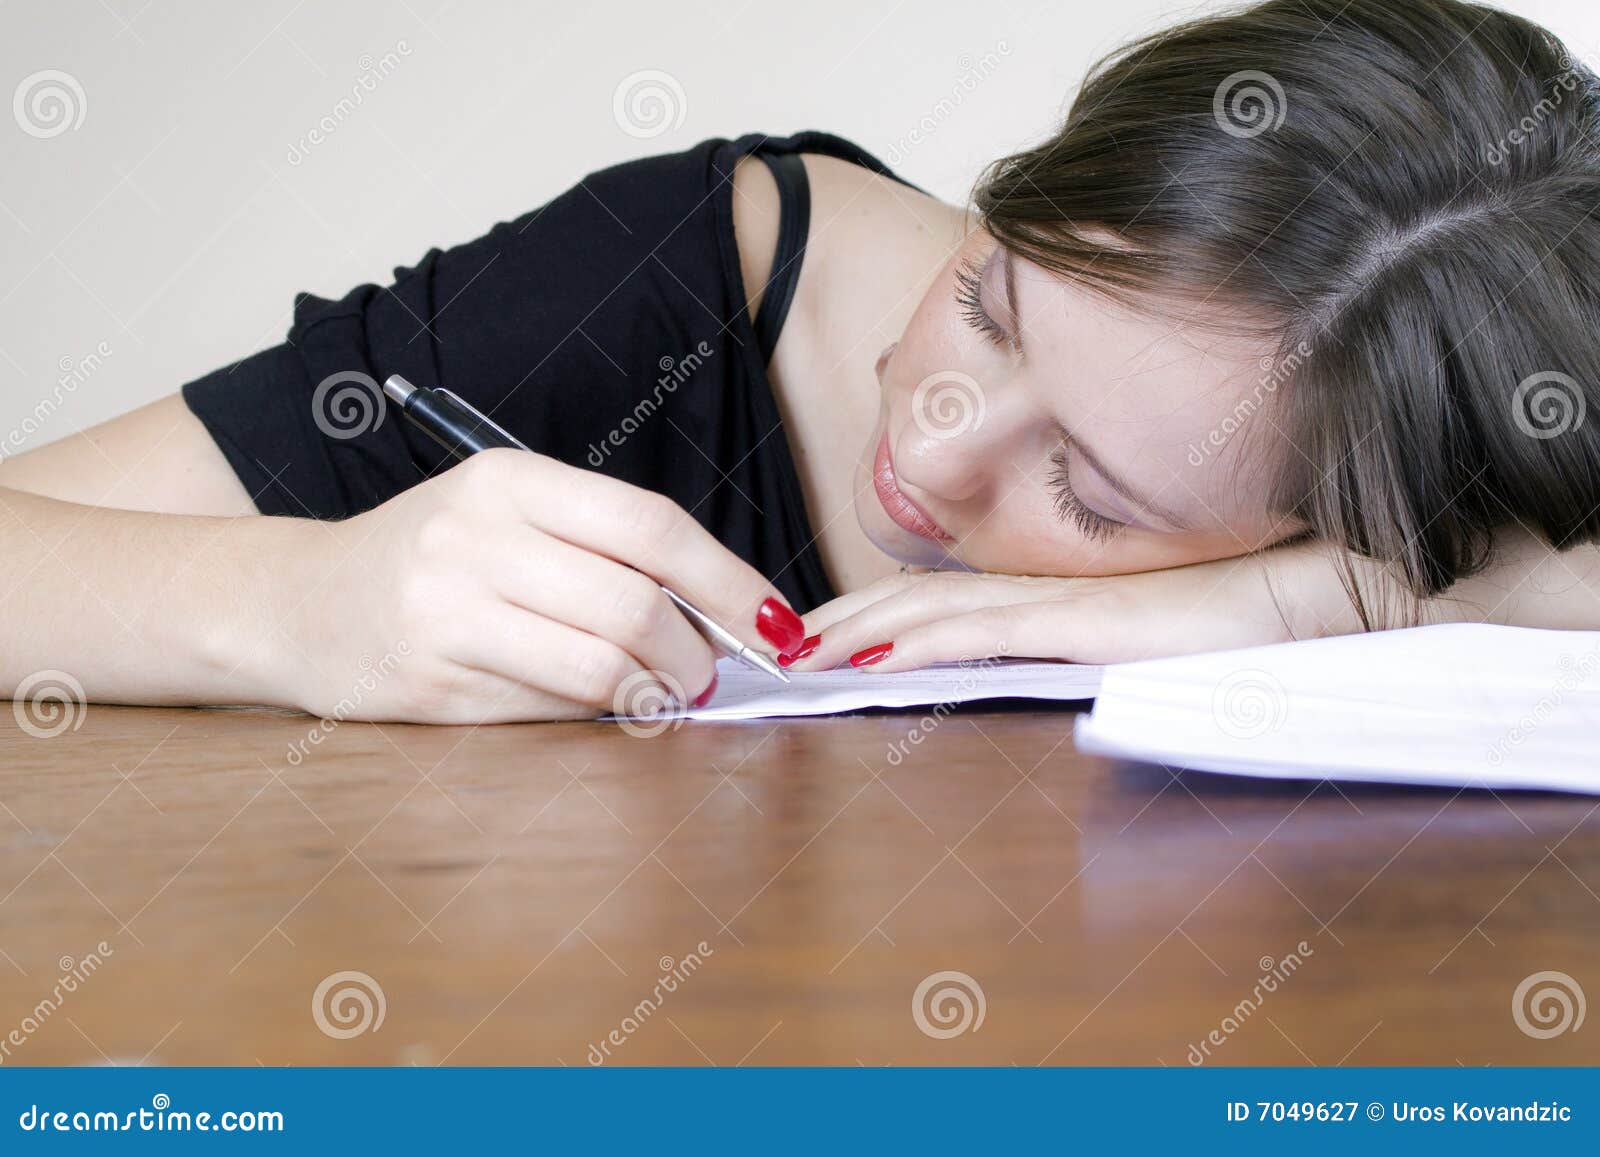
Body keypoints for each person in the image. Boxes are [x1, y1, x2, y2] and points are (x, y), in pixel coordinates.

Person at [4, 0, 1599, 723]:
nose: (945, 435)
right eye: (990, 302)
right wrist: (303, 605)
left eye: (1094, 495)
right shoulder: (672, 279)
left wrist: (1288, 602)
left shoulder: (1363, 511)